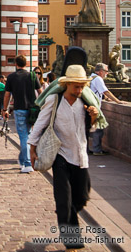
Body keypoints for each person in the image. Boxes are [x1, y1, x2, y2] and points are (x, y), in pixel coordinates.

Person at [29, 65, 98, 250]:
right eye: (76, 86)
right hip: (61, 156)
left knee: (81, 198)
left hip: (81, 155)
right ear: (67, 84)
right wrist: (32, 149)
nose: (80, 90)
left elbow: (89, 131)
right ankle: (72, 243)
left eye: (82, 86)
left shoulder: (85, 102)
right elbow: (40, 123)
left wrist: (93, 118)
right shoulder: (55, 99)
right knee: (64, 201)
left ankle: (64, 211)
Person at [3, 55, 42, 173]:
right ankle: (22, 159)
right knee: (28, 135)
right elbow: (41, 92)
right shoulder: (32, 75)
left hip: (19, 109)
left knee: (24, 137)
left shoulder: (11, 77)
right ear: (26, 63)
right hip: (32, 110)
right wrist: (41, 105)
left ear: (16, 64)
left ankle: (27, 163)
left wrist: (5, 109)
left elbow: (7, 95)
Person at [89, 62, 127, 155]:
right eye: (106, 71)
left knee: (90, 129)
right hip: (95, 107)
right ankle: (97, 150)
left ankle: (89, 149)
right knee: (98, 128)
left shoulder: (91, 77)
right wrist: (117, 101)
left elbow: (97, 92)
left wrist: (106, 98)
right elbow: (106, 91)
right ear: (101, 71)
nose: (107, 73)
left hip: (89, 106)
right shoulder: (98, 79)